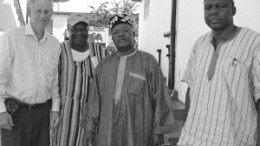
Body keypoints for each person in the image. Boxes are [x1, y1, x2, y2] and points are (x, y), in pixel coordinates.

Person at [79, 14, 176, 146]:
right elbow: (94, 101)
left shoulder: (148, 62)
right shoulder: (104, 65)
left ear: (133, 34)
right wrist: (89, 129)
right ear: (112, 37)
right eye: (116, 32)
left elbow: (160, 98)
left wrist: (158, 131)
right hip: (107, 132)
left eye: (125, 30)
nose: (120, 35)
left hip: (138, 131)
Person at [177, 0, 260, 145]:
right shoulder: (199, 44)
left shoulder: (254, 43)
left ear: (233, 10)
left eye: (220, 6)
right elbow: (191, 87)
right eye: (208, 7)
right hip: (191, 139)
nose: (213, 11)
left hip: (234, 140)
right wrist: (186, 126)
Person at [0, 0, 60, 146]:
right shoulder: (11, 38)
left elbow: (54, 81)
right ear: (29, 12)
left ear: (51, 13)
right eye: (38, 11)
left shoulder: (54, 44)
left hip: (42, 113)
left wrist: (56, 109)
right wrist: (1, 111)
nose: (43, 15)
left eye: (47, 12)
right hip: (16, 113)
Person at [50, 13, 107, 146]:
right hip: (63, 116)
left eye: (83, 29)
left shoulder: (101, 53)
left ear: (88, 31)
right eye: (75, 29)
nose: (79, 32)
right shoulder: (58, 50)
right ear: (68, 30)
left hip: (91, 118)